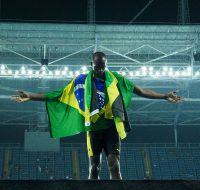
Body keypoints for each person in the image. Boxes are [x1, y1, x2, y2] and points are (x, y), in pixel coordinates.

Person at [12, 51, 183, 180]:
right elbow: (58, 94)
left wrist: (164, 96)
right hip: (93, 130)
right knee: (94, 167)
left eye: (103, 66)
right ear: (91, 65)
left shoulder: (115, 79)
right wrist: (31, 95)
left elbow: (140, 90)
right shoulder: (80, 81)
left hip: (111, 128)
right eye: (97, 67)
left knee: (114, 165)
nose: (100, 70)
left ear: (106, 64)